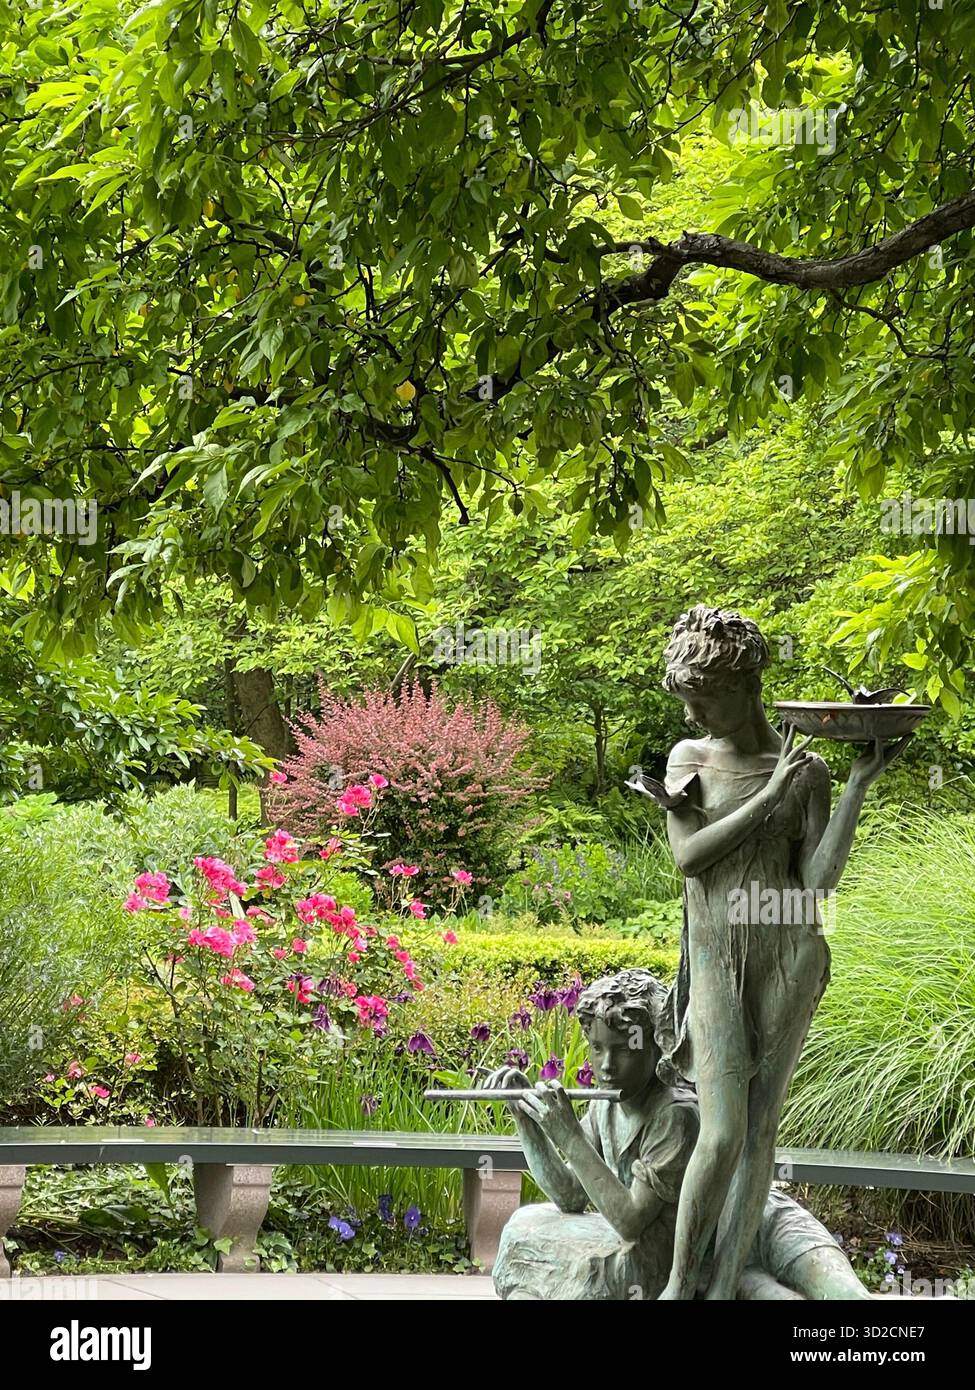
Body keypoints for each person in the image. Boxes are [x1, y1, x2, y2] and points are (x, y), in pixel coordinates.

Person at [652, 605, 906, 1300]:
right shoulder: (690, 761)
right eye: (686, 702)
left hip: (789, 948)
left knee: (761, 1129)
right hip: (715, 953)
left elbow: (816, 883)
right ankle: (680, 1285)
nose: (693, 716)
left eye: (704, 701)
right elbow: (689, 857)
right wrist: (767, 795)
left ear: (746, 688)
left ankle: (728, 1276)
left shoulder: (807, 769)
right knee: (723, 1130)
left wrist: (854, 785)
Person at [488, 968, 871, 1301]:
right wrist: (529, 1121)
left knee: (844, 1293)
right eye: (597, 1048)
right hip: (704, 1261)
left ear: (657, 1047)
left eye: (623, 1050)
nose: (606, 1065)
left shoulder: (674, 1115)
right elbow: (570, 1195)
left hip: (757, 1225)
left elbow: (630, 1220)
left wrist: (569, 1137)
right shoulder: (605, 1107)